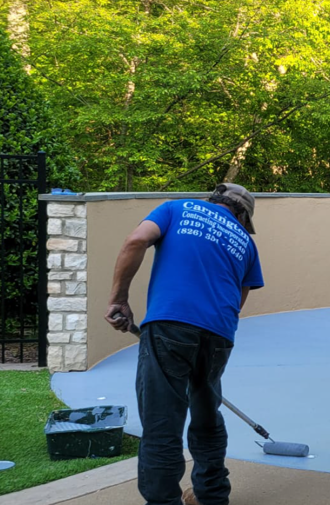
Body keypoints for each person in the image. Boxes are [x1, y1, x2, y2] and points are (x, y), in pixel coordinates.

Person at [105, 183, 265, 505]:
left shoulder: (175, 209)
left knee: (162, 423)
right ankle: (212, 496)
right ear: (242, 216)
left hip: (170, 325)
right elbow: (238, 300)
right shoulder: (246, 243)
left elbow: (136, 240)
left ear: (215, 201)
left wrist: (119, 299)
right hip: (219, 334)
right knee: (207, 416)